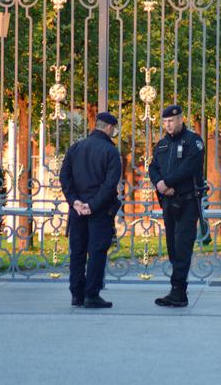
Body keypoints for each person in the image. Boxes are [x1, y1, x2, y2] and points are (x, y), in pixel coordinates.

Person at [59, 112, 122, 309]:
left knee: (77, 252)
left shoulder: (76, 147)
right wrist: (92, 205)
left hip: (77, 211)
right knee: (96, 251)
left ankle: (76, 294)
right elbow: (110, 184)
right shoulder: (110, 152)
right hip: (100, 211)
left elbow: (65, 177)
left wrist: (75, 201)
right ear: (110, 128)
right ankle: (91, 294)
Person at [148, 105, 205, 307]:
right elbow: (153, 167)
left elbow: (190, 166)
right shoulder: (162, 144)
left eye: (171, 121)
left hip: (187, 202)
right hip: (168, 201)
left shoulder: (193, 141)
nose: (168, 125)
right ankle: (176, 290)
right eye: (165, 122)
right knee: (173, 246)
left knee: (182, 247)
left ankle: (179, 291)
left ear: (181, 119)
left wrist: (168, 182)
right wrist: (160, 185)